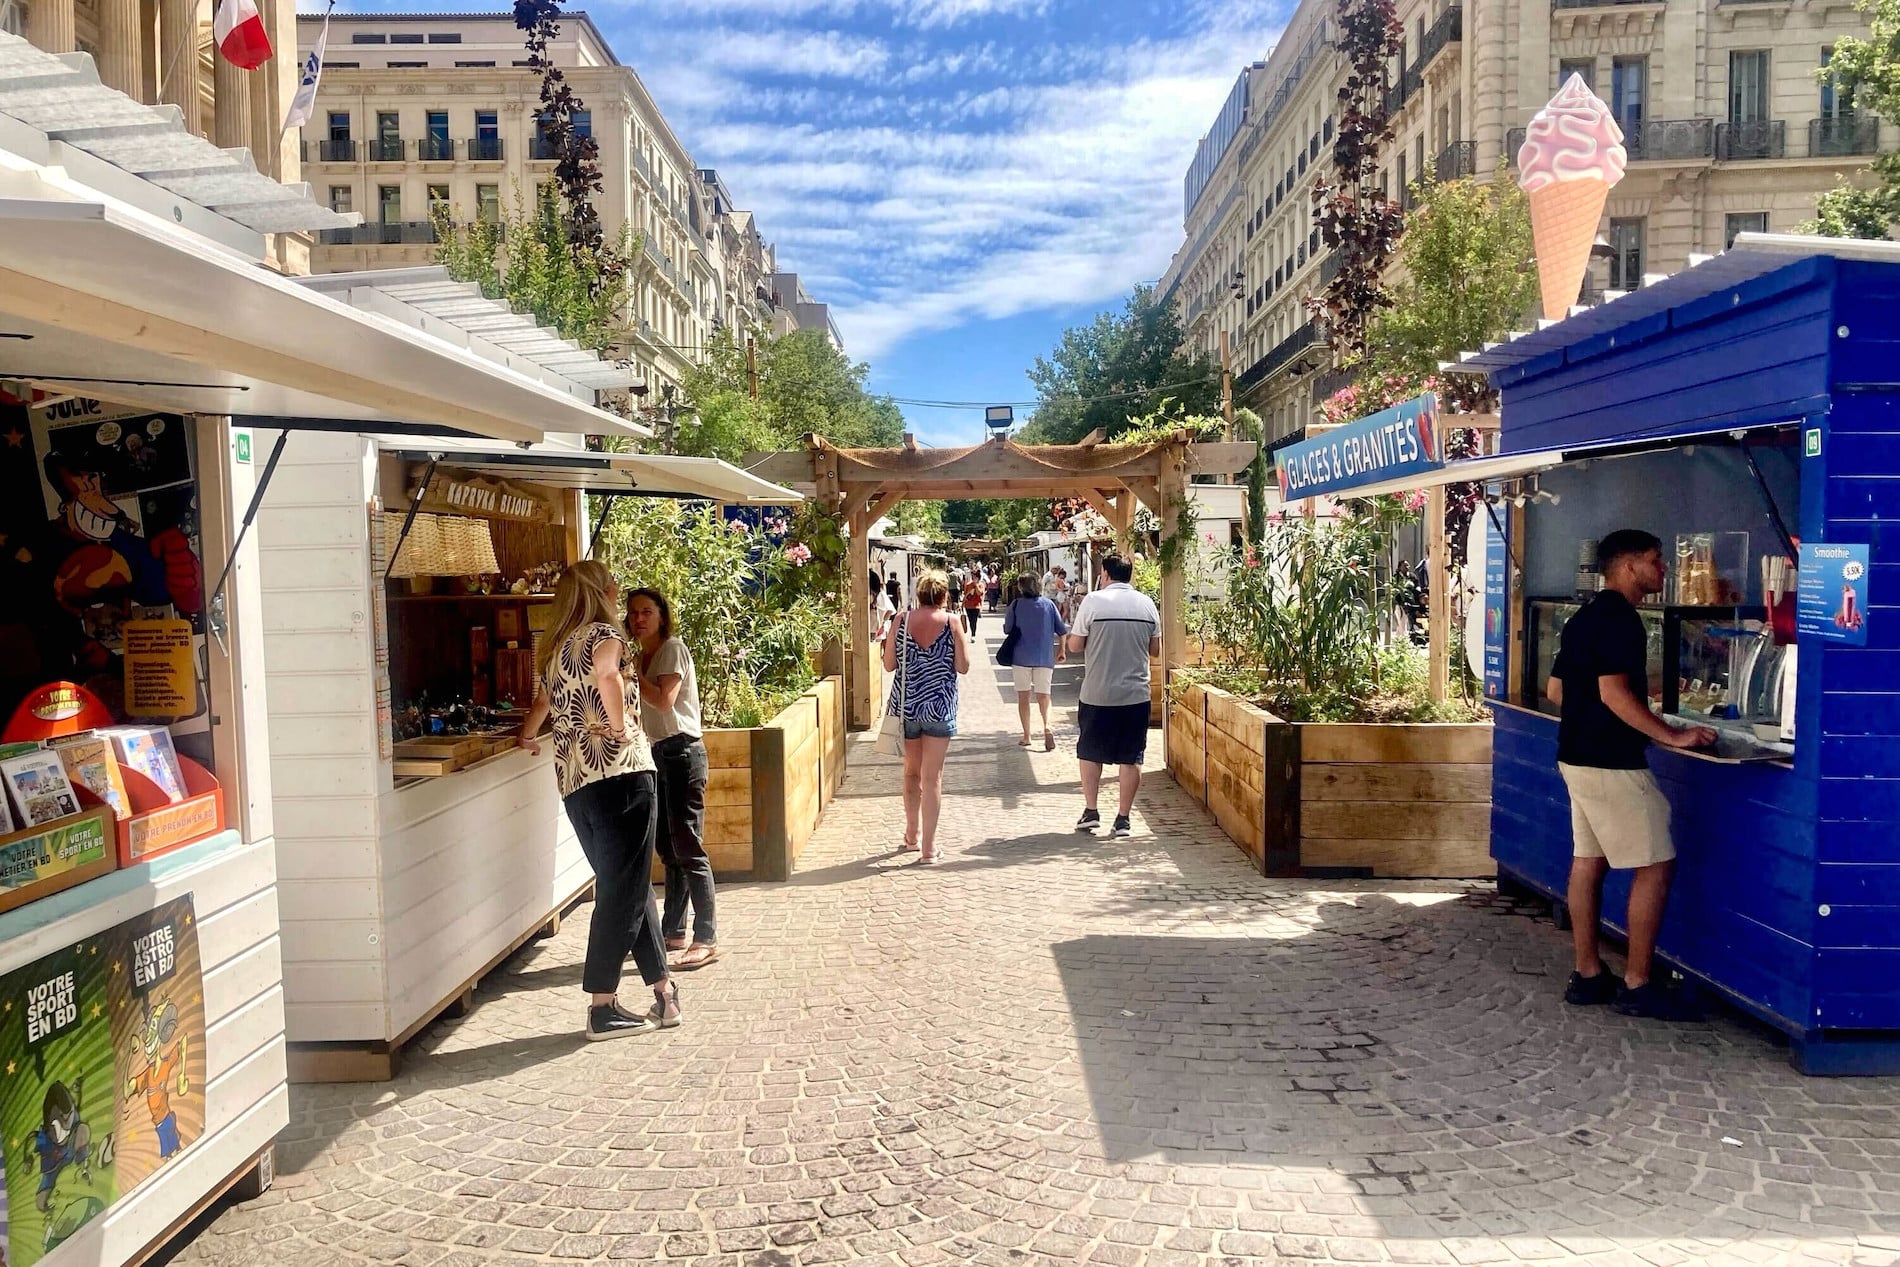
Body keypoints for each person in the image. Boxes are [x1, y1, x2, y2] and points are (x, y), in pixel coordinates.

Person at [1546, 529, 1715, 1020]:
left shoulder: (1584, 618)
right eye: (1656, 561)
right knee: (1657, 863)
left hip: (1574, 755)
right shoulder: (1622, 619)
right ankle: (1638, 983)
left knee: (1588, 861)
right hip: (1611, 762)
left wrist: (1656, 686)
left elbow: (1559, 691)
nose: (1663, 570)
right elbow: (1614, 694)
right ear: (1628, 565)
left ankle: (1588, 974)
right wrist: (1672, 735)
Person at [517, 561, 678, 1040]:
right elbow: (608, 675)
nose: (617, 590)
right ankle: (602, 1005)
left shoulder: (556, 648)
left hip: (575, 783)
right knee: (621, 891)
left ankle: (664, 993)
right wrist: (616, 725)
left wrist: (526, 736)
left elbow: (544, 705)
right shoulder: (605, 635)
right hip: (622, 774)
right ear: (598, 591)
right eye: (611, 583)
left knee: (626, 886)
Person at [629, 588, 718, 972]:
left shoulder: (671, 649)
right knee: (668, 846)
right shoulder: (640, 655)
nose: (639, 619)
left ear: (662, 616)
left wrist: (631, 674)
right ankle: (674, 930)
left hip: (682, 752)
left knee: (689, 847)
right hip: (658, 753)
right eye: (633, 613)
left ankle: (707, 937)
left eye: (647, 612)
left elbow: (664, 700)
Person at [1067, 554, 1159, 839]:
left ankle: (1091, 811)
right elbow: (1155, 650)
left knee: (1090, 752)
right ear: (1129, 575)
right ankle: (1123, 819)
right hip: (1135, 694)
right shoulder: (1147, 604)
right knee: (1131, 757)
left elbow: (1075, 645)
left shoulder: (1093, 602)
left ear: (1105, 574)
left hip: (1098, 692)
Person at [881, 570, 970, 864]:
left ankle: (911, 836)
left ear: (917, 594)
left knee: (911, 773)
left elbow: (889, 664)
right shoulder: (952, 622)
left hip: (907, 708)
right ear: (945, 595)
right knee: (933, 778)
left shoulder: (901, 620)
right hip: (939, 707)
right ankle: (929, 849)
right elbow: (963, 666)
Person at [1003, 574, 1066, 751]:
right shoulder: (1049, 605)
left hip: (1020, 657)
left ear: (1021, 588)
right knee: (1044, 696)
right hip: (1044, 657)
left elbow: (1008, 629)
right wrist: (1061, 650)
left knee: (1023, 697)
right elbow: (1062, 630)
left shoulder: (1016, 605)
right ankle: (1047, 726)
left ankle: (1027, 736)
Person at [960, 573, 983, 638]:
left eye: (975, 577)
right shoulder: (968, 585)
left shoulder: (981, 585)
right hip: (968, 605)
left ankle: (973, 634)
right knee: (970, 620)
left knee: (974, 620)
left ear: (978, 578)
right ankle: (972, 632)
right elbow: (965, 595)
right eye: (972, 577)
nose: (973, 578)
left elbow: (979, 593)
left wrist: (976, 586)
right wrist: (962, 604)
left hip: (976, 605)